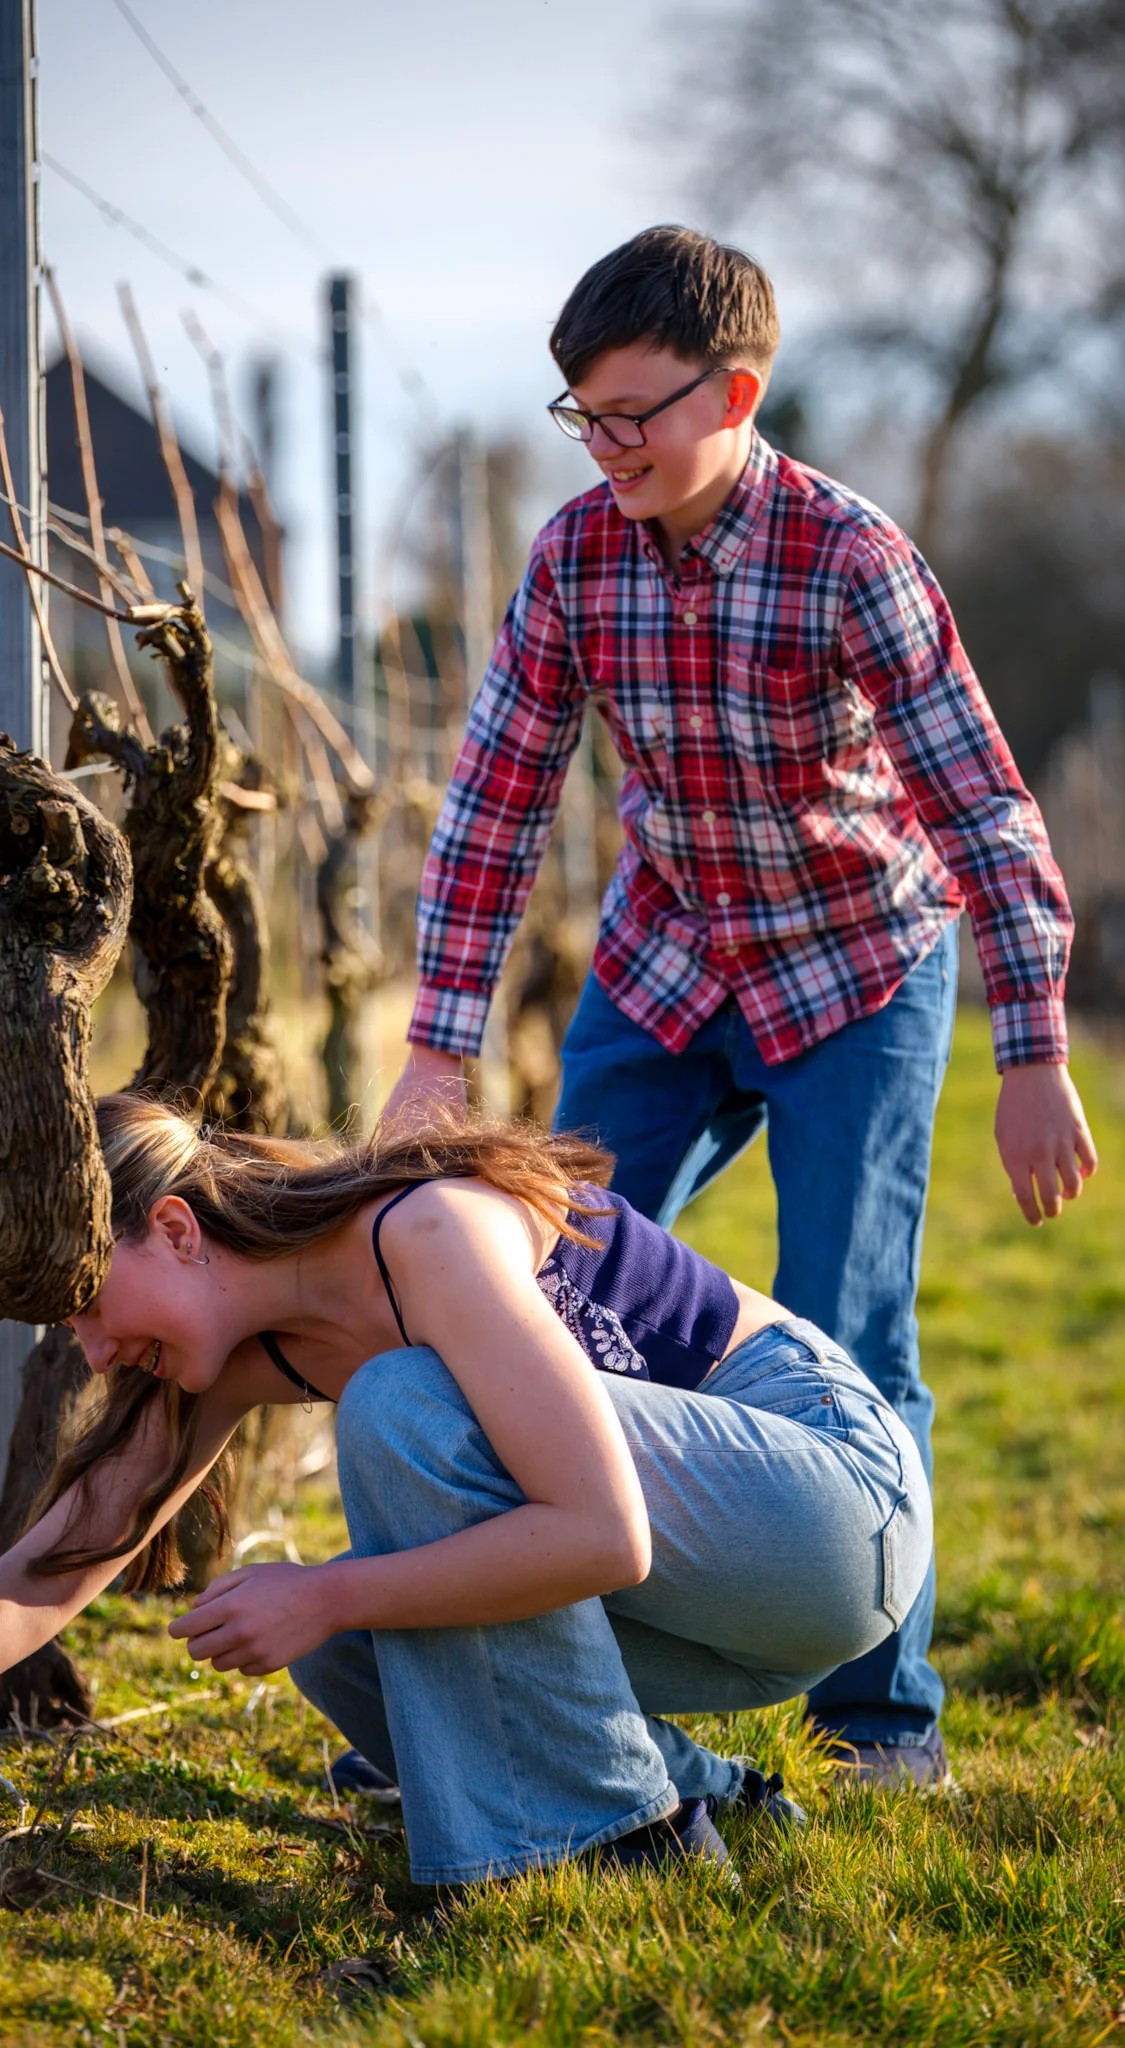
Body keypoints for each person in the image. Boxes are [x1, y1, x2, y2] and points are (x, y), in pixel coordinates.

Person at [382, 226, 1099, 1790]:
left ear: (737, 394)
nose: (605, 444)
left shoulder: (852, 560)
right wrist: (438, 1048)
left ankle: (878, 1719)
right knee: (543, 1288)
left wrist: (1034, 1045)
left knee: (847, 1321)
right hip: (667, 966)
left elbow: (981, 808)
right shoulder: (575, 555)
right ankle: (544, 1661)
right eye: (584, 415)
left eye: (632, 414)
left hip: (856, 966)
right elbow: (497, 799)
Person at [0, 1091, 931, 1886]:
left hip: (831, 1505)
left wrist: (324, 1592)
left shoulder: (428, 1231)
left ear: (178, 1229)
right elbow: (60, 1559)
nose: (96, 1354)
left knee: (396, 1411)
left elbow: (607, 1537)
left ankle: (627, 1844)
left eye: (93, 1307)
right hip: (723, 1589)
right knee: (349, 1642)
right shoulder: (219, 1358)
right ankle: (696, 1792)